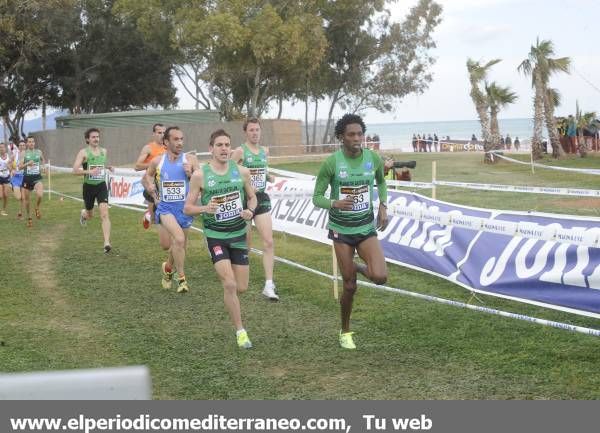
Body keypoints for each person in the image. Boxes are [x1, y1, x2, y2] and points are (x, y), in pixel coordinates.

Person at [312, 113, 388, 349]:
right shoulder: (332, 163)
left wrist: (383, 205)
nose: (357, 138)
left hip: (365, 227)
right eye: (351, 135)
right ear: (341, 138)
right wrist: (334, 203)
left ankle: (352, 265)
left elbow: (381, 181)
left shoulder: (373, 158)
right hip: (341, 229)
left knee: (380, 277)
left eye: (360, 134)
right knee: (350, 286)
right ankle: (345, 331)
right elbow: (316, 197)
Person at [184, 129, 257, 349]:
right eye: (219, 145)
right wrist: (206, 208)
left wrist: (250, 211)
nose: (224, 149)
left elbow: (253, 198)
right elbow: (187, 208)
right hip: (215, 236)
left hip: (238, 235)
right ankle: (241, 331)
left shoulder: (242, 172)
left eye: (227, 145)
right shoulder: (200, 175)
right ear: (211, 149)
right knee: (230, 283)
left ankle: (231, 299)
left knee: (241, 287)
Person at [144, 126, 199, 293]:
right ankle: (181, 279)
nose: (180, 142)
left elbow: (202, 182)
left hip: (185, 209)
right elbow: (146, 177)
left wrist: (191, 174)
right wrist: (152, 189)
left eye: (181, 139)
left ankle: (168, 268)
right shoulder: (157, 161)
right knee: (177, 240)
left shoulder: (190, 160)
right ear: (166, 142)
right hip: (165, 208)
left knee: (179, 244)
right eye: (176, 139)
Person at [230, 118, 279, 301]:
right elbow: (230, 172)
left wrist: (268, 176)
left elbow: (260, 171)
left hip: (261, 199)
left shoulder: (264, 151)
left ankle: (268, 284)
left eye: (257, 130)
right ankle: (234, 272)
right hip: (243, 201)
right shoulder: (240, 151)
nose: (255, 133)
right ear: (246, 132)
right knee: (246, 245)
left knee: (268, 241)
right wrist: (246, 186)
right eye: (251, 130)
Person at [72, 128, 115, 253]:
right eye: (93, 137)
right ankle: (84, 214)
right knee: (90, 215)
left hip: (101, 185)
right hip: (89, 187)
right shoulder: (83, 153)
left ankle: (107, 242)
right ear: (87, 139)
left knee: (104, 214)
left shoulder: (104, 151)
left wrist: (108, 167)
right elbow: (74, 170)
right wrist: (88, 171)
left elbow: (100, 166)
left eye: (97, 136)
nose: (96, 139)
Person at [134, 123, 166, 229]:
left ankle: (149, 214)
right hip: (151, 181)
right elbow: (137, 166)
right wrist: (154, 163)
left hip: (164, 181)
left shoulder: (168, 147)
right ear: (154, 134)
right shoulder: (148, 148)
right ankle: (150, 216)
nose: (162, 135)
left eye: (164, 132)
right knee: (155, 219)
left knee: (162, 209)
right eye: (159, 132)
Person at [18, 136, 46, 228]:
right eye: (29, 142)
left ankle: (37, 207)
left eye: (32, 142)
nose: (31, 143)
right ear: (27, 143)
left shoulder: (39, 152)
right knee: (27, 201)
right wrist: (27, 164)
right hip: (27, 178)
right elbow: (20, 167)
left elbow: (43, 160)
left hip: (37, 177)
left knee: (40, 195)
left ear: (34, 143)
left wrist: (44, 167)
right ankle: (29, 218)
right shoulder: (23, 153)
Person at [10, 140, 26, 219]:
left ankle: (20, 214)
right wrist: (11, 170)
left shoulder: (27, 155)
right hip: (16, 178)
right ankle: (13, 188)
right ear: (18, 146)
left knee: (23, 197)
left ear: (25, 146)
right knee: (18, 197)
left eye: (23, 145)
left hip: (24, 177)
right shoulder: (14, 154)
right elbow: (8, 163)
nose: (22, 146)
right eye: (20, 145)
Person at [0, 143, 11, 216]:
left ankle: (3, 210)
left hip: (6, 176)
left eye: (2, 147)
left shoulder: (8, 157)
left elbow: (11, 167)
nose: (1, 149)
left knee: (6, 195)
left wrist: (9, 167)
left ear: (5, 148)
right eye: (0, 147)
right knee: (0, 196)